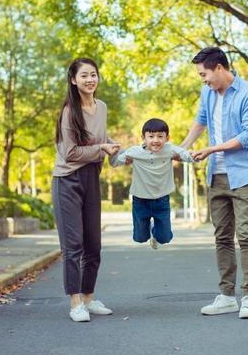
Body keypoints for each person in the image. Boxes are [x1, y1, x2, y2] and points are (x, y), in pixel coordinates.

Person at [180, 47, 248, 319]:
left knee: (247, 235)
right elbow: (200, 122)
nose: (202, 80)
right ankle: (227, 296)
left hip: (244, 175)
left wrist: (211, 150)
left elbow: (247, 136)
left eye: (204, 74)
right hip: (217, 176)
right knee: (222, 238)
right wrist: (181, 149)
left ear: (219, 67)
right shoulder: (207, 93)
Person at [52, 57, 121, 322]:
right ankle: (75, 303)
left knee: (94, 243)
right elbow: (69, 153)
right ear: (73, 80)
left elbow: (102, 139)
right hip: (67, 180)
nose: (90, 79)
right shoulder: (70, 111)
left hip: (92, 177)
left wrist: (118, 151)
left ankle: (89, 299)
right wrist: (100, 149)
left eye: (93, 75)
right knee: (73, 245)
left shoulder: (101, 107)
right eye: (84, 76)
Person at [111, 118, 193, 249]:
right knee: (140, 238)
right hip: (140, 201)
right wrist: (113, 153)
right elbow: (115, 163)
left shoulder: (169, 149)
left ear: (167, 138)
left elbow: (185, 154)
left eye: (160, 136)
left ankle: (156, 231)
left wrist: (196, 155)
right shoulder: (134, 152)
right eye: (151, 136)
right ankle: (148, 228)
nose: (156, 140)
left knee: (165, 238)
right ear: (143, 138)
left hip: (161, 200)